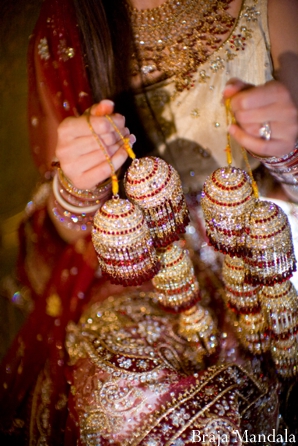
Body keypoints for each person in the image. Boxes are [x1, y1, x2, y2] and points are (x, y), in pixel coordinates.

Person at [1, 0, 298, 444]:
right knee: (120, 403)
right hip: (139, 261)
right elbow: (67, 232)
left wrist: (290, 148)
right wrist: (80, 185)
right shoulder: (71, 23)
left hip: (265, 238)